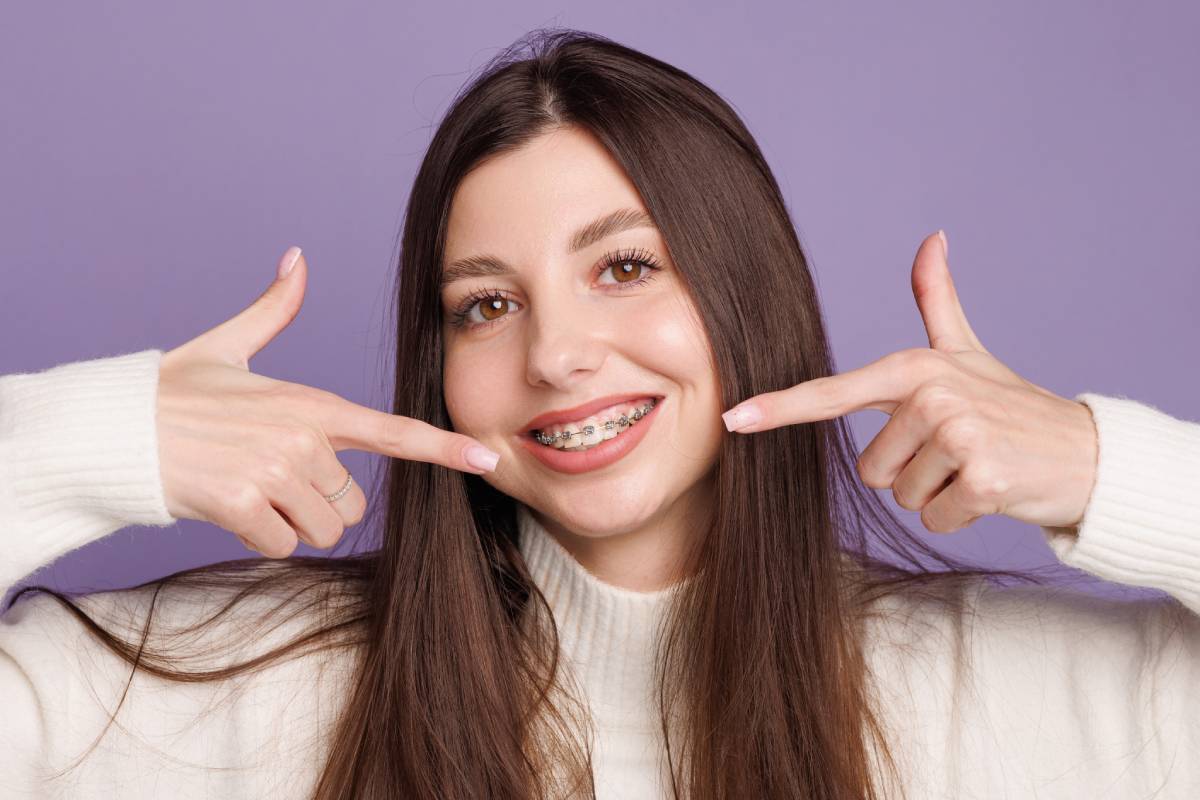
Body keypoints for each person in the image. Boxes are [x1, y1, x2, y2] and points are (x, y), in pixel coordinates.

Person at [2, 28, 1199, 800]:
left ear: (748, 295)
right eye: (485, 304)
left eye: (625, 266)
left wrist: (1107, 466)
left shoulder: (1015, 696)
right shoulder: (228, 687)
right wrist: (90, 442)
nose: (557, 354)